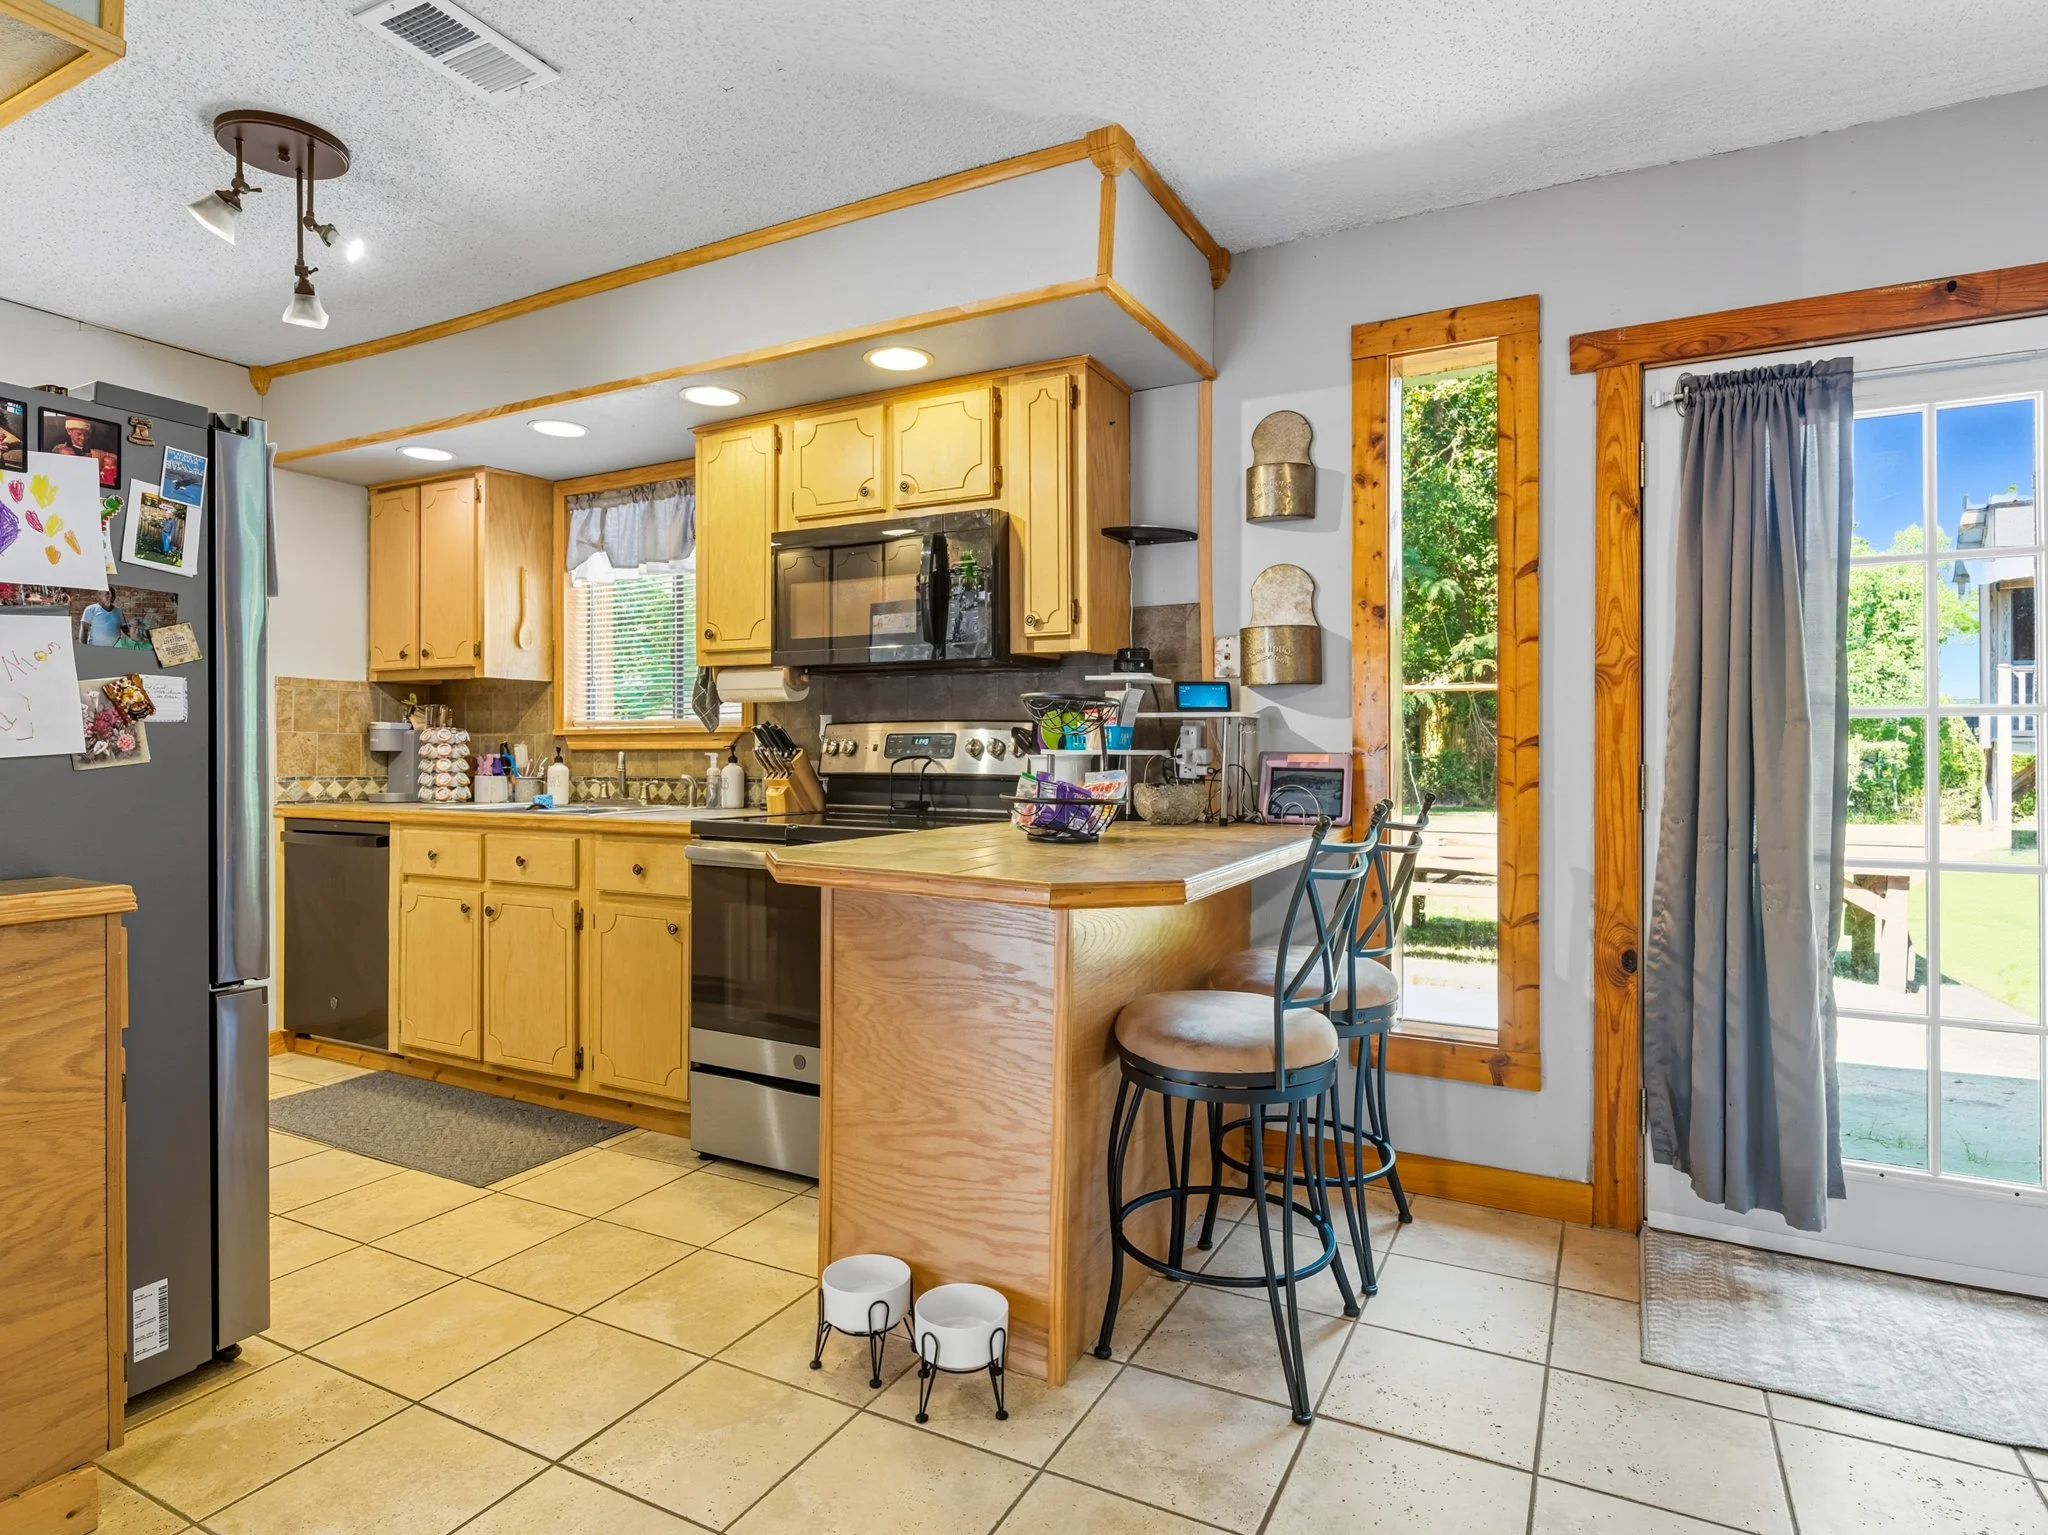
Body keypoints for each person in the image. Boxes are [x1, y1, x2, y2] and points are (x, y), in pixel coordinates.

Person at [49, 415, 117, 486]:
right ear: (69, 431)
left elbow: (115, 458)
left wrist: (98, 457)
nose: (83, 438)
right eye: (79, 434)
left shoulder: (96, 449)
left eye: (86, 435)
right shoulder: (61, 448)